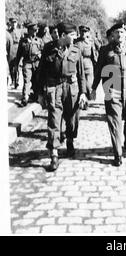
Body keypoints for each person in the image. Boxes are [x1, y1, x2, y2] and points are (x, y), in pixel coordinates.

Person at [91, 22, 126, 167]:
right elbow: (98, 70)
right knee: (114, 122)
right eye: (117, 32)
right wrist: (93, 88)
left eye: (122, 32)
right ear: (113, 35)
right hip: (112, 90)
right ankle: (118, 153)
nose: (120, 35)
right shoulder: (105, 50)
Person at [37, 22, 87, 171]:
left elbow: (81, 74)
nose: (75, 37)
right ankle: (54, 154)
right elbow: (41, 71)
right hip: (54, 88)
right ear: (63, 36)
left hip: (72, 89)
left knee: (72, 118)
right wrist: (39, 92)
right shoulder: (48, 48)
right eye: (72, 35)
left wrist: (83, 92)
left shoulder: (76, 49)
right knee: (54, 120)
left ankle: (70, 140)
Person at [15, 23, 44, 106]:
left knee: (36, 81)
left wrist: (40, 55)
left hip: (36, 63)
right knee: (26, 80)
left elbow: (43, 51)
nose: (35, 32)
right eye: (34, 30)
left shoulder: (39, 40)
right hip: (27, 63)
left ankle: (35, 96)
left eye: (36, 30)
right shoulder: (23, 40)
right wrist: (16, 64)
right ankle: (25, 99)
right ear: (29, 30)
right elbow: (19, 54)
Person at [75, 25, 97, 106]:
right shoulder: (76, 42)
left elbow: (94, 56)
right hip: (78, 66)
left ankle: (87, 99)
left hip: (88, 65)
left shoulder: (90, 42)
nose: (83, 33)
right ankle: (83, 101)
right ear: (79, 32)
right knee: (80, 84)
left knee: (88, 85)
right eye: (82, 31)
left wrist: (96, 66)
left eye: (85, 31)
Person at [7, 17, 22, 89]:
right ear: (11, 23)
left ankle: (17, 82)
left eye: (15, 22)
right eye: (13, 22)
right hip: (10, 51)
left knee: (17, 67)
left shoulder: (20, 32)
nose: (14, 24)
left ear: (17, 23)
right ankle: (13, 80)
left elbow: (22, 42)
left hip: (17, 51)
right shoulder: (8, 32)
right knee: (10, 67)